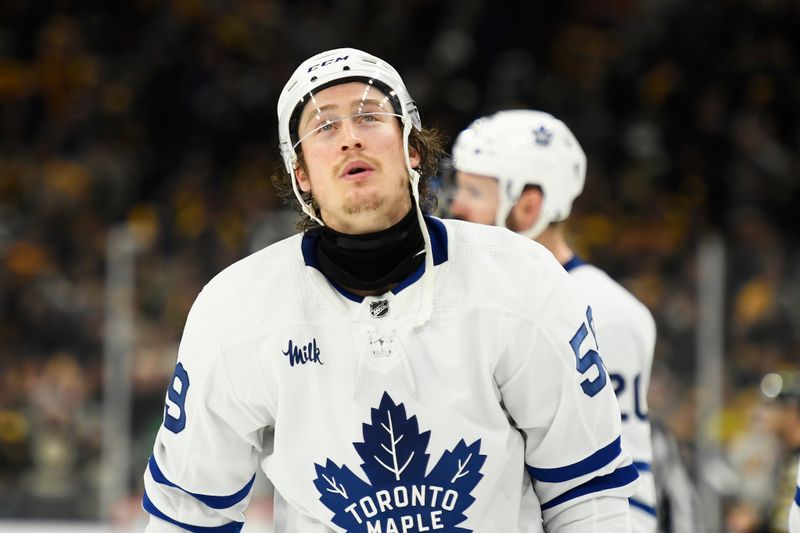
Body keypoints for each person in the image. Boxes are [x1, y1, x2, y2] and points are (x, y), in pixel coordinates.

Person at [141, 48, 638, 533]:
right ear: (301, 176)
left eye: (369, 116)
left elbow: (587, 491)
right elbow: (187, 512)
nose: (349, 138)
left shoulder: (521, 279)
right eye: (324, 126)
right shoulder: (236, 311)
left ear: (412, 147)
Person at [450, 109, 658, 533]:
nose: (456, 205)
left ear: (528, 206)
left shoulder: (606, 315)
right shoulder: (466, 294)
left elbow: (615, 484)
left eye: (474, 190)